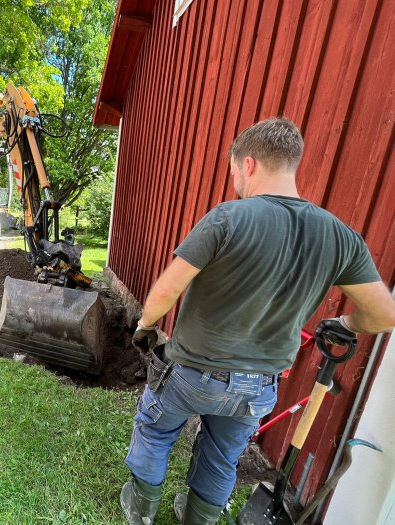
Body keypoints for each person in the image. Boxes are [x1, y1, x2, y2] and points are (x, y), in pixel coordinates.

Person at [119, 118, 395, 525]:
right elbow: (383, 315)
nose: (236, 183)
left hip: (194, 373)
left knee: (156, 431)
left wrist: (144, 325)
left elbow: (165, 292)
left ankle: (140, 510)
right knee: (221, 455)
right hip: (258, 387)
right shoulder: (341, 237)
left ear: (248, 164)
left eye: (234, 173)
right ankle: (197, 518)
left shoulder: (228, 218)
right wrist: (348, 325)